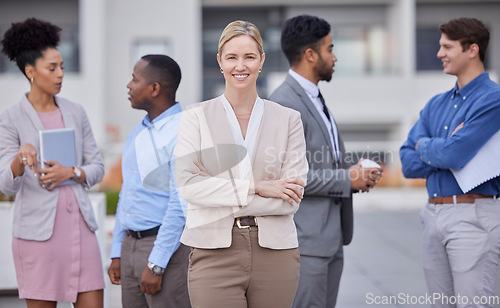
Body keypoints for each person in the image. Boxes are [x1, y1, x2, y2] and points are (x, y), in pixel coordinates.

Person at [174, 20, 309, 308]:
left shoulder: (289, 120)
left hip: (276, 253)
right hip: (213, 253)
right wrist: (259, 187)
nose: (241, 65)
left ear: (261, 60)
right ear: (220, 61)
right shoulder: (194, 117)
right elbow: (188, 187)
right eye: (232, 57)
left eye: (249, 56)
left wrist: (215, 196)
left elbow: (291, 198)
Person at [269, 15, 383, 307]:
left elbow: (320, 164)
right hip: (305, 244)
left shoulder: (313, 97)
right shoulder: (284, 102)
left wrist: (356, 176)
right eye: (330, 49)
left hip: (329, 239)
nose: (335, 57)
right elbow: (286, 178)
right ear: (310, 54)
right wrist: (348, 179)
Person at [0, 18, 104, 307]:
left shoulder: (76, 111)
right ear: (30, 72)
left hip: (81, 232)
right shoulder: (10, 119)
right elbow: (6, 184)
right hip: (37, 239)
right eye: (52, 68)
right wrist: (20, 158)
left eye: (62, 67)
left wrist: (72, 172)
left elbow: (97, 168)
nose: (60, 74)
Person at [400, 18, 500, 307]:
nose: (439, 53)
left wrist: (426, 146)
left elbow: (452, 155)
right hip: (434, 213)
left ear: (472, 50)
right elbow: (408, 163)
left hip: (473, 215)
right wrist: (440, 149)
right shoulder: (435, 104)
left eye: (447, 46)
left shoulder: (493, 100)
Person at [108, 54, 190, 308]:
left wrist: (156, 263)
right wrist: (117, 253)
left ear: (154, 88)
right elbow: (127, 192)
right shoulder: (138, 131)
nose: (128, 86)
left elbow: (181, 204)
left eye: (135, 79)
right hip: (130, 247)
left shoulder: (183, 131)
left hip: (165, 248)